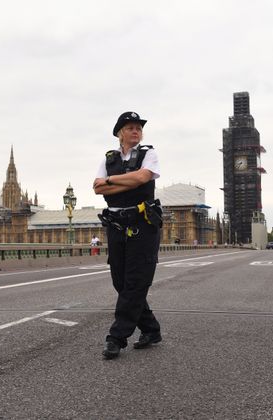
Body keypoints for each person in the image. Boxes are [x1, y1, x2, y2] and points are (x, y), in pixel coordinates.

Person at [93, 111, 162, 360]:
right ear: (120, 133)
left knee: (136, 281)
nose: (136, 131)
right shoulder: (108, 158)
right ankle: (151, 329)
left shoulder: (149, 154)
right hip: (116, 225)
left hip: (143, 223)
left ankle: (117, 337)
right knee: (120, 282)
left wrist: (112, 181)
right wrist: (127, 181)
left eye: (138, 128)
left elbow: (143, 177)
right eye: (131, 127)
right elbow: (97, 187)